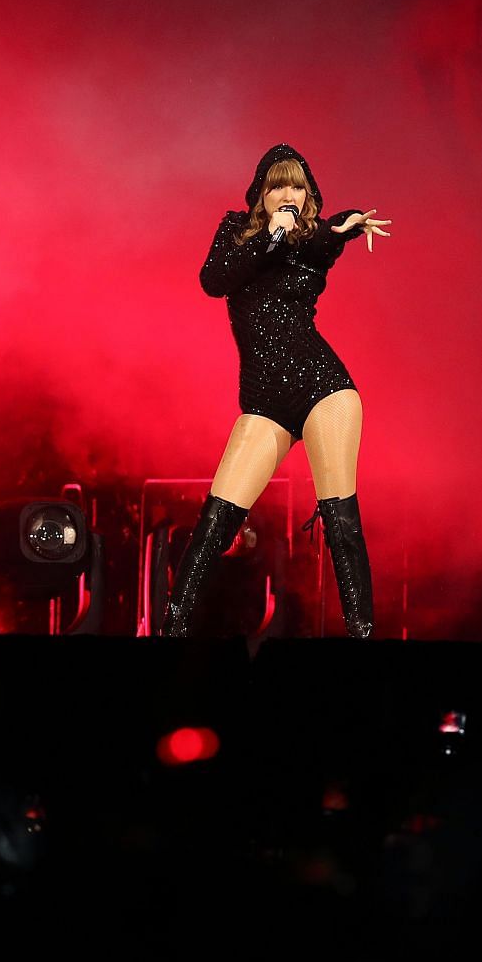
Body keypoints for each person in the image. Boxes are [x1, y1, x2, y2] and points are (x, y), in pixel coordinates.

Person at [162, 144, 392, 639]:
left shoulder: (308, 241)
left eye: (296, 186)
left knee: (340, 520)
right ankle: (170, 634)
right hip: (264, 398)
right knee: (216, 522)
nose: (287, 193)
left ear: (307, 197)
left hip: (322, 387)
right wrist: (268, 237)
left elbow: (331, 234)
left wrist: (349, 222)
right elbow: (213, 281)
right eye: (277, 185)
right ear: (260, 194)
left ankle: (364, 636)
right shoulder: (238, 232)